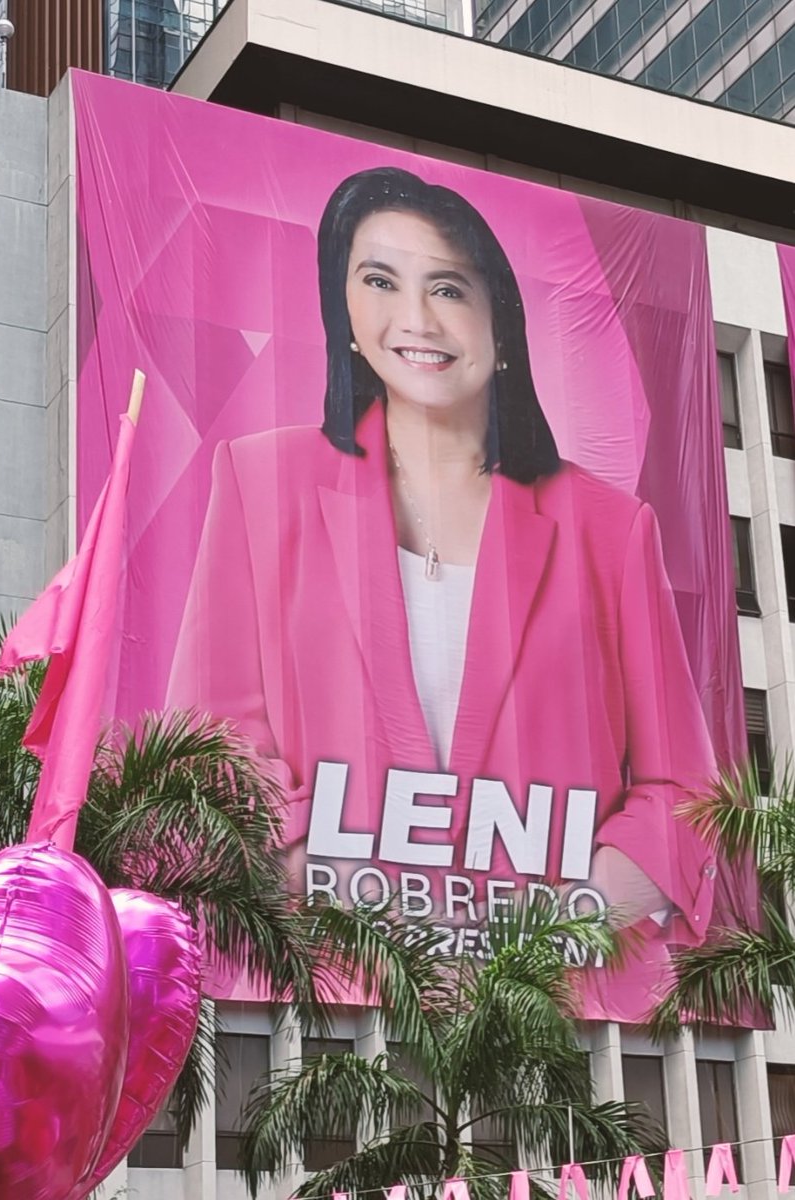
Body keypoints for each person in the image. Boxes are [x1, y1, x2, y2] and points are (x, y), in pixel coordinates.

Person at [166, 166, 718, 1021]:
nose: (414, 319)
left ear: (500, 323)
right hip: (330, 996)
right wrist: (380, 920)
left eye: (448, 288)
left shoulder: (611, 528)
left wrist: (535, 941)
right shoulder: (258, 480)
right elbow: (210, 752)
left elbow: (682, 793)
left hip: (564, 1010)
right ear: (342, 310)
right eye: (379, 281)